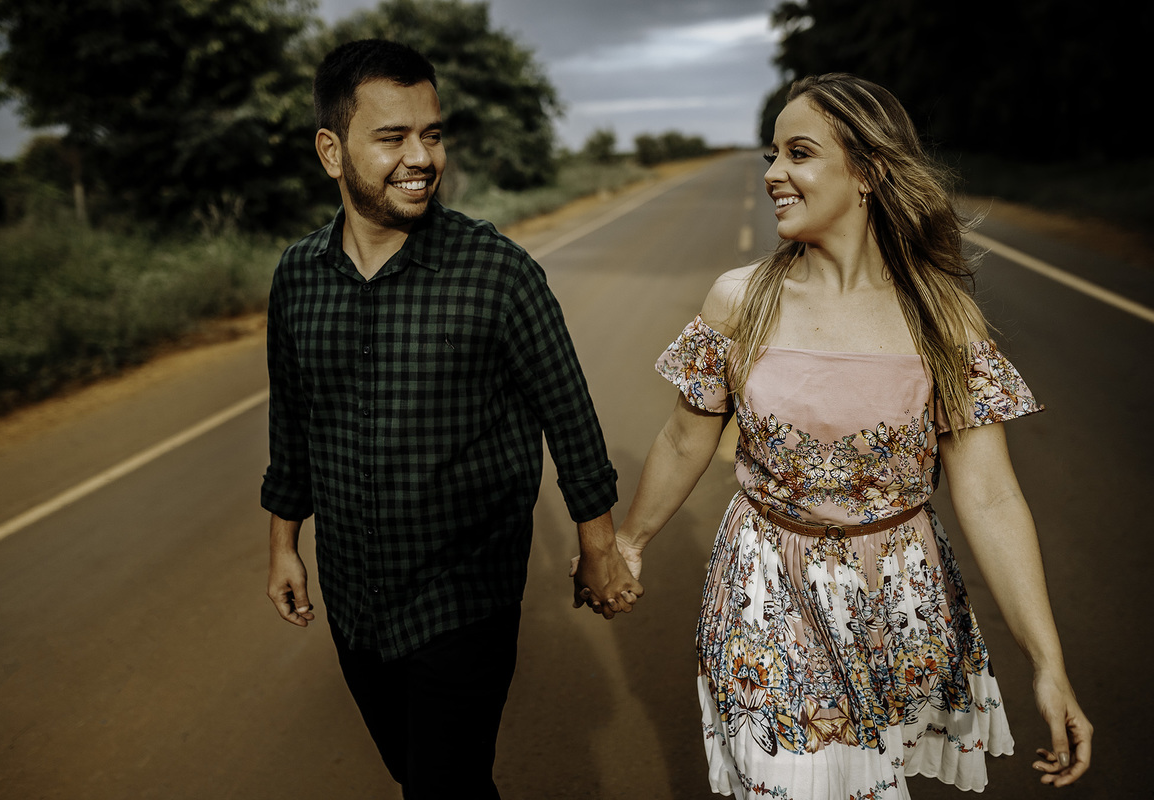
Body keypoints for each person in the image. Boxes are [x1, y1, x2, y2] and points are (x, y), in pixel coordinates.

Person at [604, 74, 1092, 797]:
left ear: (868, 172)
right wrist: (629, 543)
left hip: (899, 604)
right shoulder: (741, 299)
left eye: (799, 154)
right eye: (772, 154)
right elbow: (683, 440)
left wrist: (1049, 665)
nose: (773, 173)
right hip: (764, 590)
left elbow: (990, 496)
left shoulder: (941, 315)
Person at [260, 38, 642, 798]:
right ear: (332, 152)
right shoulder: (299, 276)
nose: (421, 158)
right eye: (392, 137)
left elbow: (569, 417)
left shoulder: (496, 273)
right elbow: (292, 424)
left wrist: (599, 546)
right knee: (420, 775)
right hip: (353, 593)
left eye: (431, 134)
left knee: (442, 783)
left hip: (465, 593)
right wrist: (283, 547)